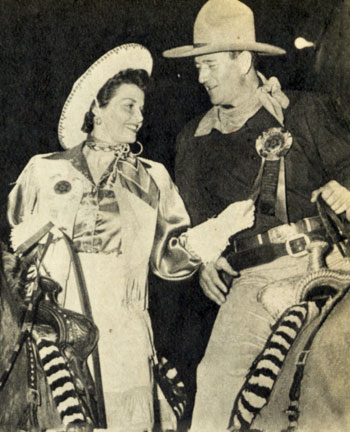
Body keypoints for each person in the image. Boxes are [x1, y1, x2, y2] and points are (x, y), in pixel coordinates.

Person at [7, 43, 254, 432]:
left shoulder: (151, 178)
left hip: (125, 340)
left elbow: (169, 263)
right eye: (128, 106)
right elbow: (13, 263)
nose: (140, 117)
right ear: (96, 108)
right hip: (53, 337)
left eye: (141, 107)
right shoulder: (43, 172)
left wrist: (218, 230)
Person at [163, 0, 350, 430]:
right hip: (255, 283)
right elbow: (198, 226)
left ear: (244, 60)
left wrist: (346, 192)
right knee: (214, 377)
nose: (200, 76)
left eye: (209, 64)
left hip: (332, 265)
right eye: (197, 67)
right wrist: (204, 265)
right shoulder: (193, 141)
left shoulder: (306, 111)